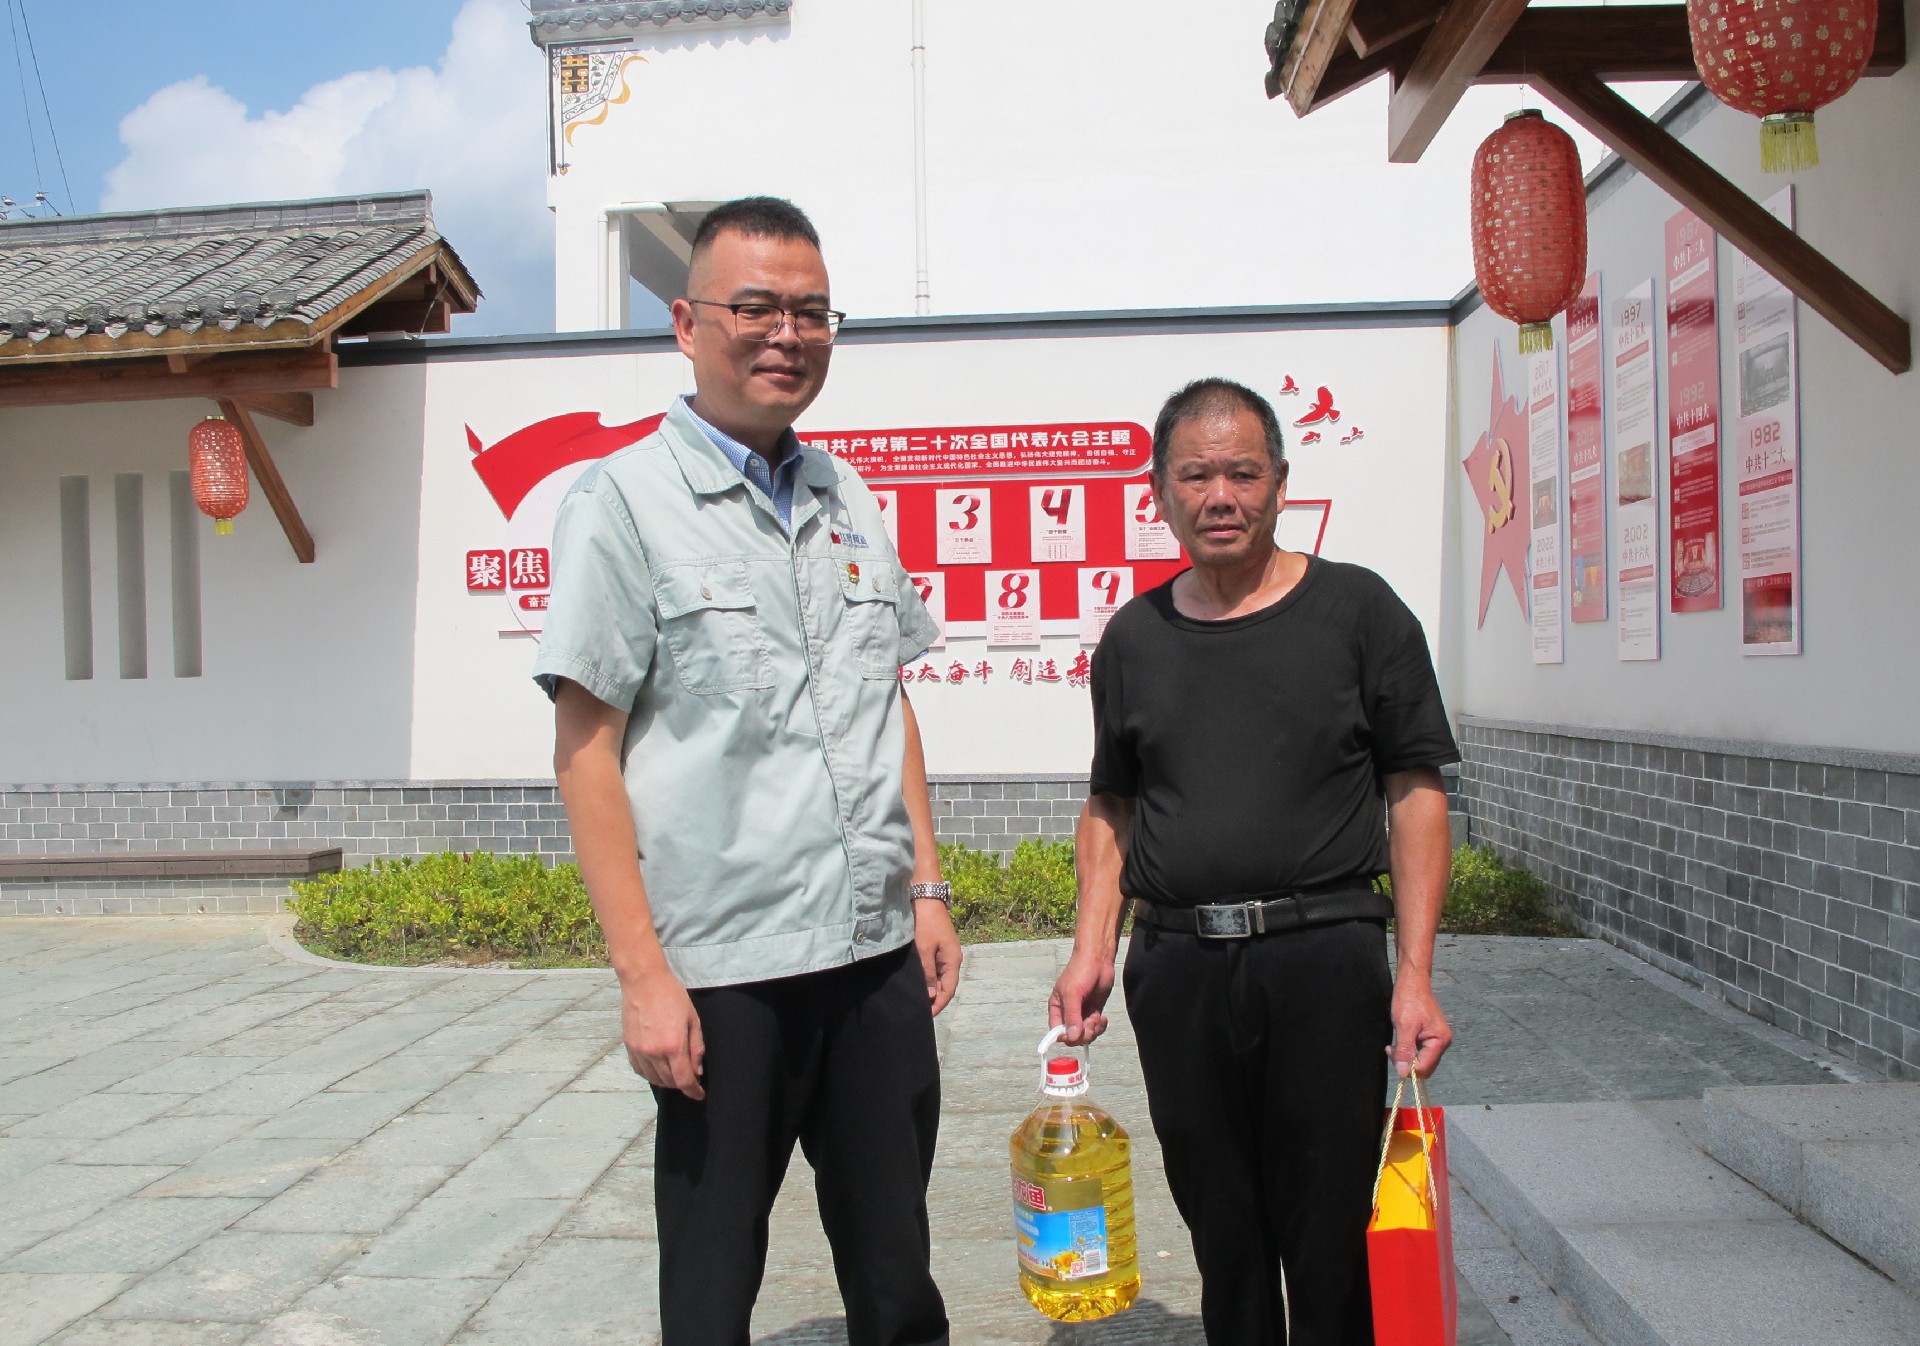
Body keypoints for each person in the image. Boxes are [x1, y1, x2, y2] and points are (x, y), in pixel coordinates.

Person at [534, 196, 960, 1346]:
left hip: (872, 954)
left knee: (898, 1277)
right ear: (687, 324)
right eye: (757, 307)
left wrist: (926, 885)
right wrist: (642, 975)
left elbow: (886, 698)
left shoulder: (846, 495)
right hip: (727, 972)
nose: (788, 333)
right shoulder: (624, 503)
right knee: (713, 1286)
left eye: (812, 312)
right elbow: (586, 748)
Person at [1047, 378, 1458, 1346]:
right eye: (1196, 475)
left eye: (1242, 473)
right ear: (1159, 491)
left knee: (1328, 1229)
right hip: (1179, 968)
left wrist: (1415, 973)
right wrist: (1090, 948)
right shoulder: (1135, 638)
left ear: (1280, 482)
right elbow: (1113, 803)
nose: (1220, 496)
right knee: (1221, 1229)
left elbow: (1414, 791)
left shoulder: (1359, 612)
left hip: (1323, 959)